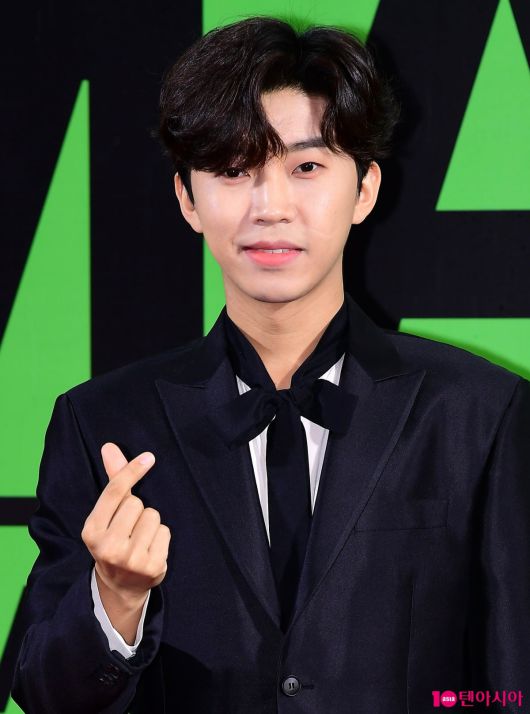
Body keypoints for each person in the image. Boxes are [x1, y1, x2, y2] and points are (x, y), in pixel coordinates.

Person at [12, 16, 530, 714]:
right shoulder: (102, 423)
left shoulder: (480, 414)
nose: (270, 206)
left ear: (365, 189)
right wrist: (115, 598)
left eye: (306, 167)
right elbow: (44, 694)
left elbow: (511, 676)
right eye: (233, 171)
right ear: (187, 199)